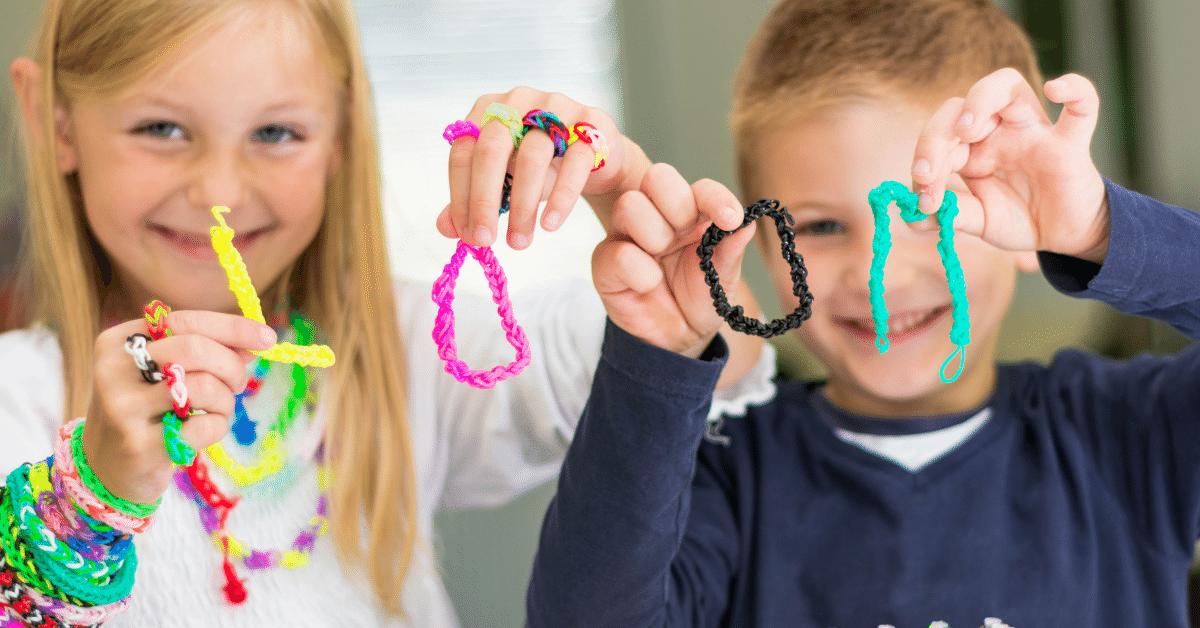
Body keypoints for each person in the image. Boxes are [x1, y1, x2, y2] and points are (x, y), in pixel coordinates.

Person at [0, 0, 773, 626]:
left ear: (343, 132)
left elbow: (720, 368)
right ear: (55, 121)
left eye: (276, 132)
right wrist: (89, 499)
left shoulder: (398, 350)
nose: (219, 194)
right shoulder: (16, 396)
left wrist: (676, 295)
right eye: (161, 129)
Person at [524, 0, 1200, 626]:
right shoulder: (728, 474)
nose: (882, 274)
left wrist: (1099, 230)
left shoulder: (1131, 434)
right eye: (819, 228)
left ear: (1027, 230)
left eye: (927, 214)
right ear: (763, 247)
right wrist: (656, 361)